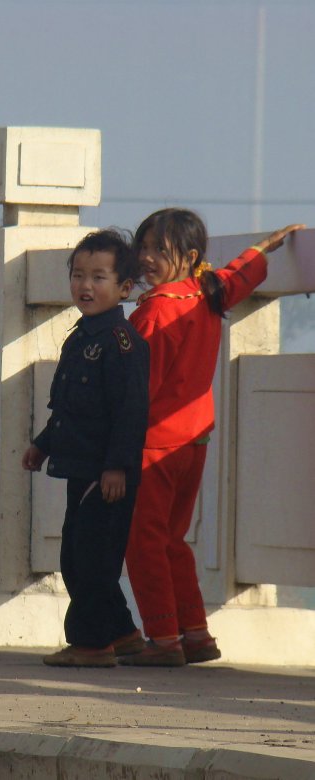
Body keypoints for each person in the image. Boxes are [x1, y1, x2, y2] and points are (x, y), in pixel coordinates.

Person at [119, 208, 305, 667]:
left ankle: (163, 637)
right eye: (143, 247)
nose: (146, 258)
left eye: (159, 251)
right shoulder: (207, 294)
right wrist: (265, 248)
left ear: (189, 257)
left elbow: (134, 393)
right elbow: (238, 277)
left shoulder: (156, 312)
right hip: (194, 442)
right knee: (172, 539)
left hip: (152, 446)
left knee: (144, 542)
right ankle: (195, 633)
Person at [22, 229, 150, 667]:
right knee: (78, 554)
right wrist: (42, 445)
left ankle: (91, 645)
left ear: (125, 288)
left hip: (106, 475)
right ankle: (123, 633)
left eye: (99, 277)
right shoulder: (80, 337)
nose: (85, 286)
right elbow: (68, 406)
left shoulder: (122, 344)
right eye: (79, 275)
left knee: (90, 562)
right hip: (79, 468)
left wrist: (117, 467)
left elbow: (130, 413)